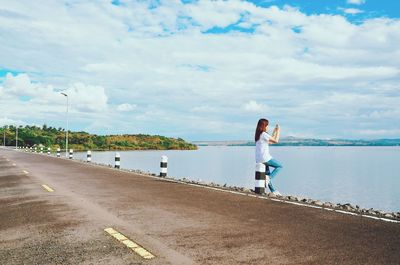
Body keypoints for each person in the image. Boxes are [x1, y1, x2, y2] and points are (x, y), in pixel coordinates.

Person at [255, 118, 283, 196]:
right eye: (267, 125)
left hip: (258, 159)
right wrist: (279, 130)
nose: (268, 127)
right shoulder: (264, 134)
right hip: (265, 158)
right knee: (279, 166)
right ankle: (268, 178)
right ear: (264, 126)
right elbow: (276, 140)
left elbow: (271, 141)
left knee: (267, 174)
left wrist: (275, 130)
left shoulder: (258, 135)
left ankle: (273, 191)